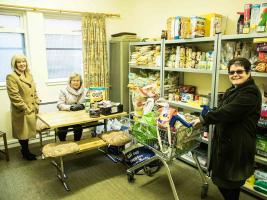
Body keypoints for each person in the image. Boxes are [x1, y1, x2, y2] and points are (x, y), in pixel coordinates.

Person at [192, 57, 262, 200]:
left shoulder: (250, 93)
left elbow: (228, 112)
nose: (235, 75)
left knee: (230, 182)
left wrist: (204, 119)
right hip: (226, 143)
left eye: (239, 71)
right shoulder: (234, 89)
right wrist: (209, 112)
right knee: (224, 180)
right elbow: (224, 108)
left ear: (248, 72)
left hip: (237, 145)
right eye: (231, 72)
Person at [6, 54, 40, 161]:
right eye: (19, 62)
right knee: (23, 133)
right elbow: (14, 96)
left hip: (32, 107)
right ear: (15, 64)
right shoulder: (11, 76)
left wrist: (37, 102)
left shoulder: (29, 74)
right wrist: (25, 108)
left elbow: (34, 91)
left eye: (23, 61)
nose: (22, 64)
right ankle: (25, 152)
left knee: (28, 132)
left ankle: (25, 150)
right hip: (22, 110)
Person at [57, 73, 86, 141]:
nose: (76, 82)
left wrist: (82, 105)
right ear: (70, 82)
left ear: (80, 82)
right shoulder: (63, 90)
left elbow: (89, 101)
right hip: (66, 115)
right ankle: (63, 143)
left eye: (78, 80)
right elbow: (59, 105)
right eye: (74, 80)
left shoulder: (85, 90)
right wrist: (70, 107)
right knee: (62, 129)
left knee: (78, 128)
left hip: (79, 115)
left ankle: (77, 142)